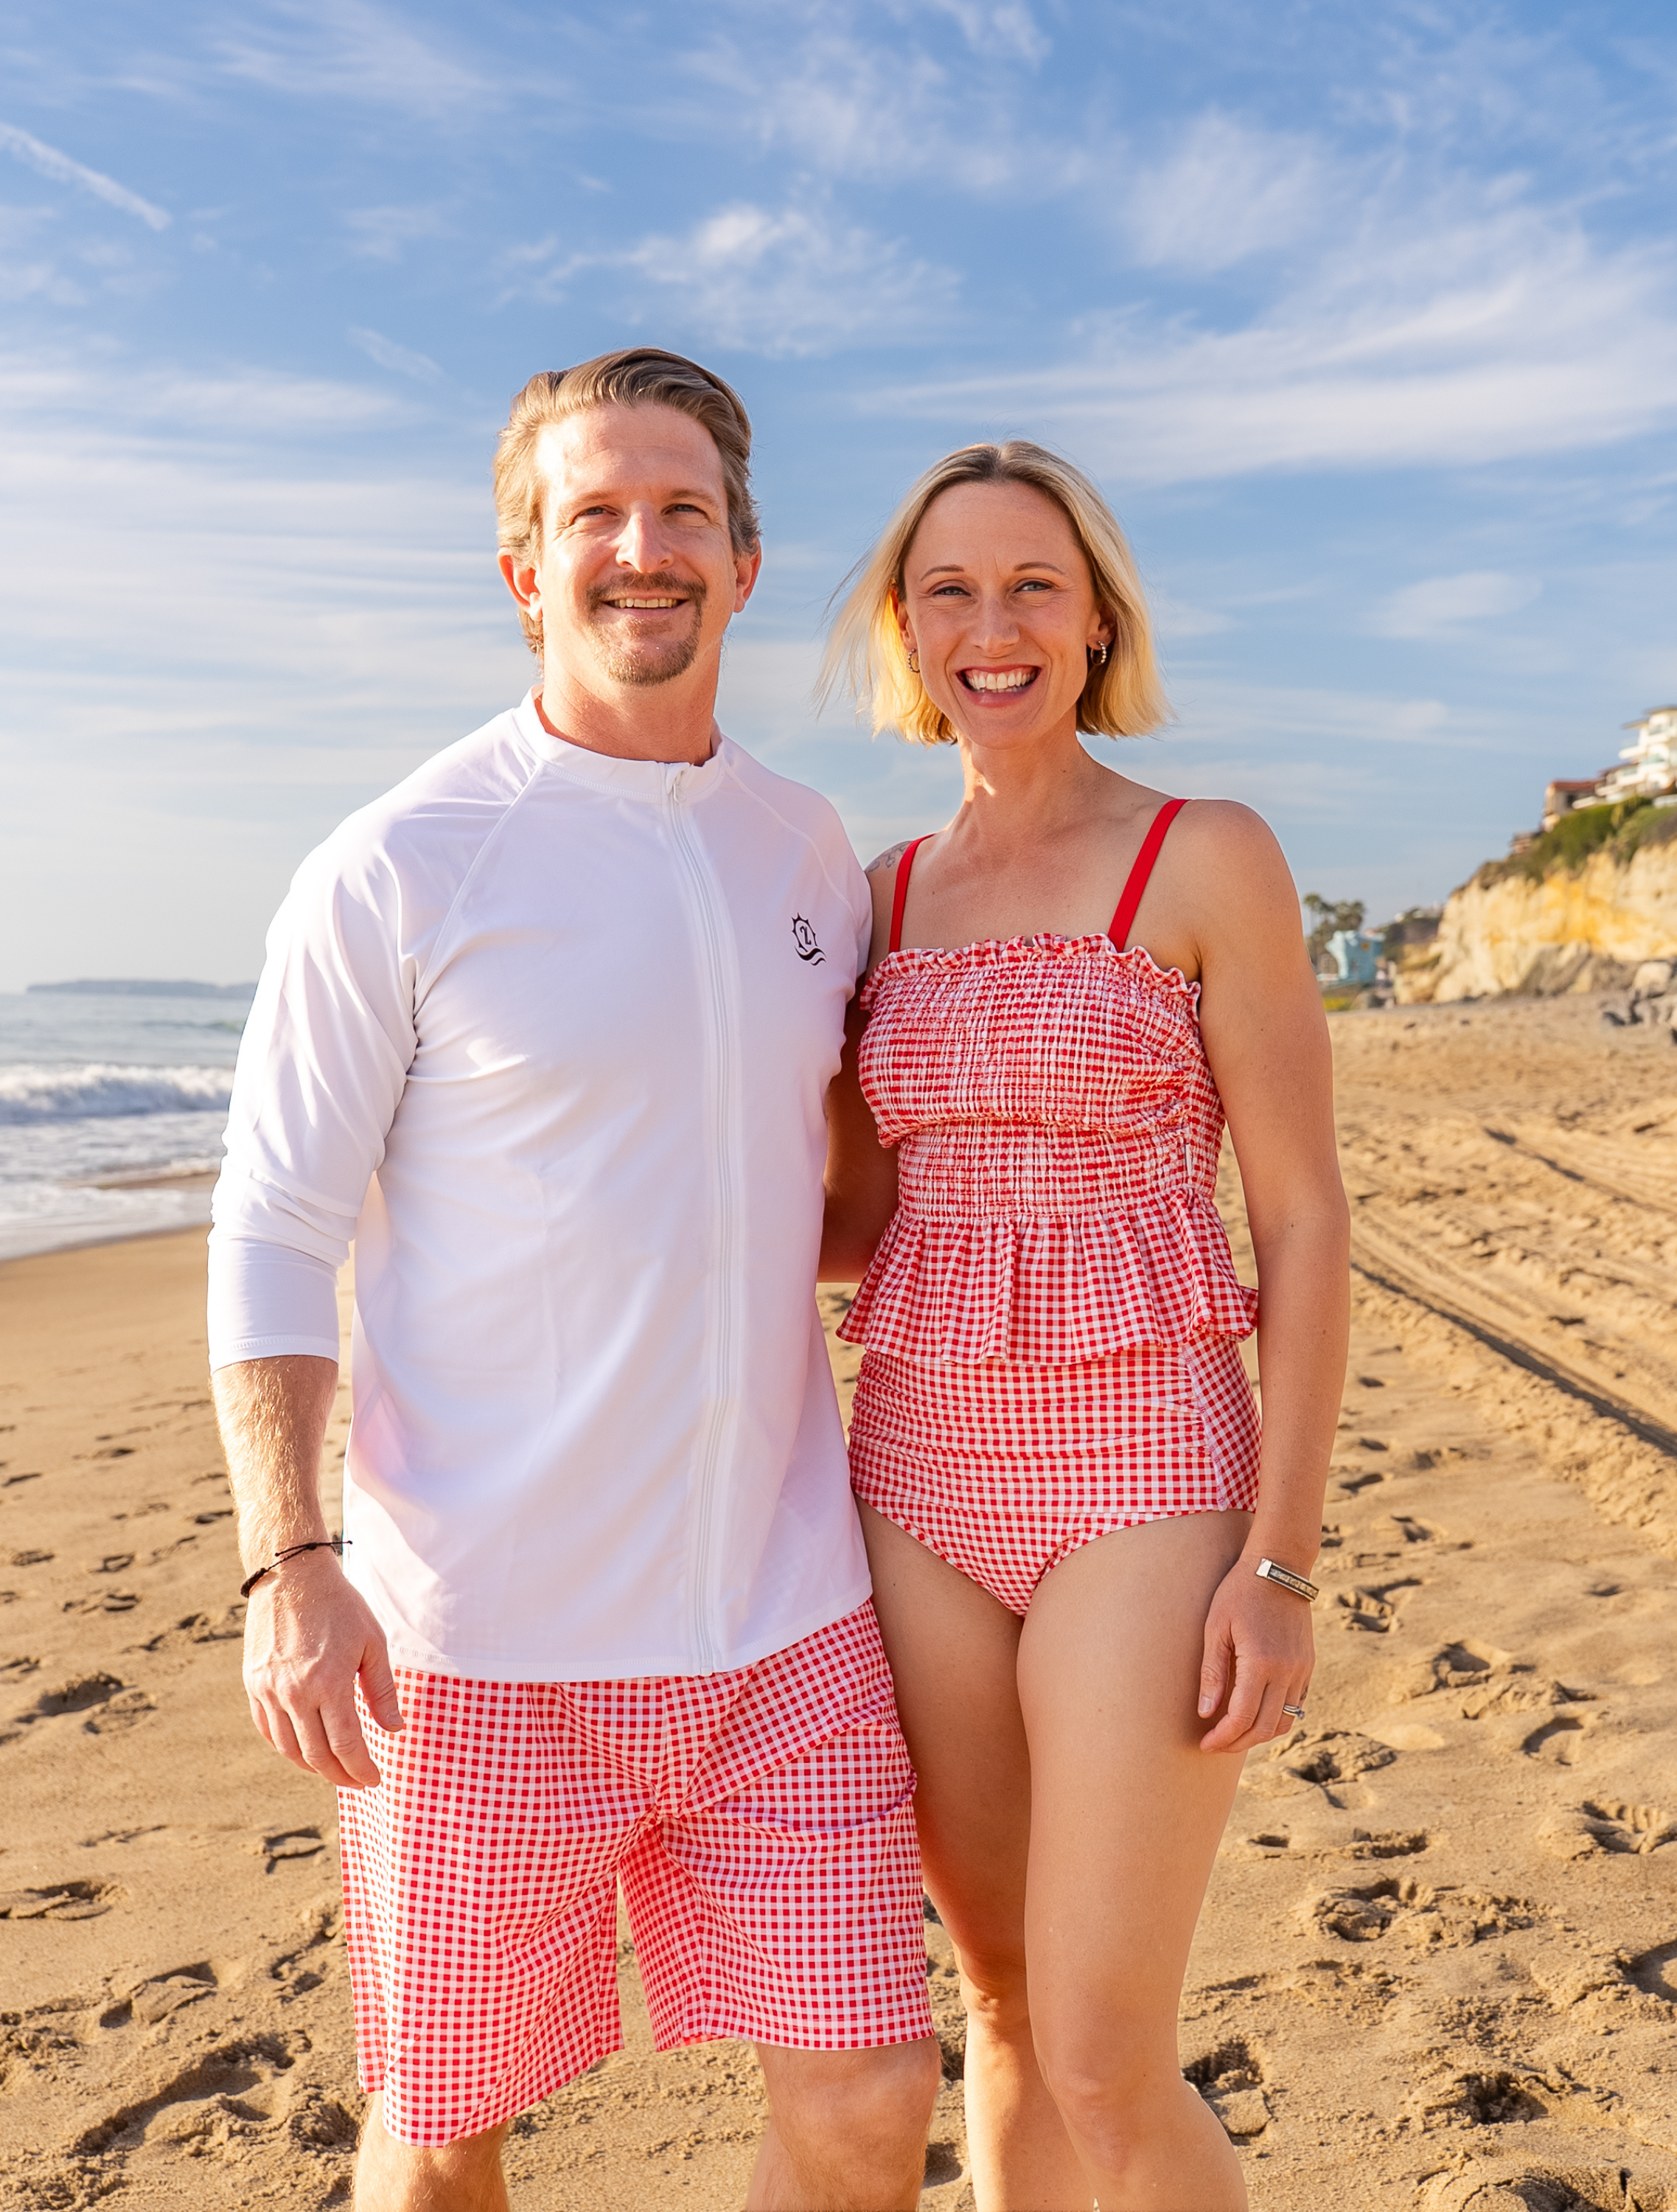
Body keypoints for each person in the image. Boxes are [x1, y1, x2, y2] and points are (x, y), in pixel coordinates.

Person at [208, 348, 944, 2212]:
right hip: (478, 1648)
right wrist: (292, 1565)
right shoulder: (399, 864)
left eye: (683, 511)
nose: (644, 548)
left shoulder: (807, 854)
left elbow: (823, 1192)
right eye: (593, 514)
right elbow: (275, 1227)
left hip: (786, 1626)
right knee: (448, 2133)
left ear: (747, 560)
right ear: (525, 567)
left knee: (867, 2098)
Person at [817, 440, 1350, 2212]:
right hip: (912, 1475)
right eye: (950, 591)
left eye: (1033, 584)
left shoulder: (1205, 857)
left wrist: (1279, 1567)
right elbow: (855, 1223)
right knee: (1003, 1998)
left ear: (1098, 614)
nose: (995, 625)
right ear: (906, 630)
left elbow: (1302, 1218)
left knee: (1115, 2050)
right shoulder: (877, 898)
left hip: (1147, 1474)